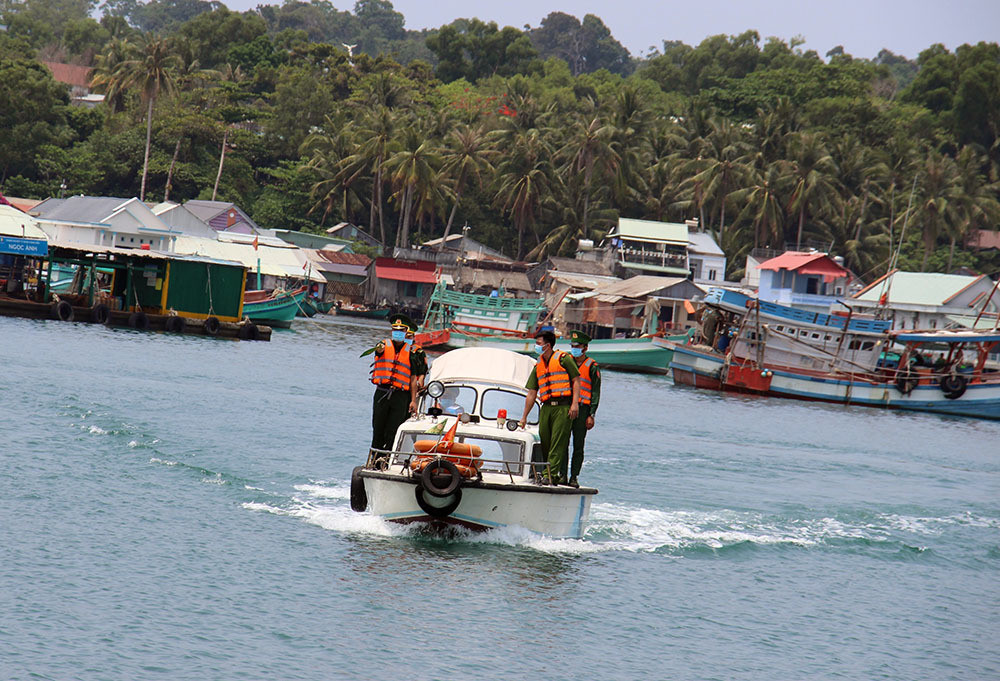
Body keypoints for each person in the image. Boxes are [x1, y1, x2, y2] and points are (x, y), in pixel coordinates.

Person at [518, 329, 580, 485]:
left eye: (539, 343)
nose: (536, 346)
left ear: (548, 345)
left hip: (563, 406)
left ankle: (549, 475)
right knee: (545, 441)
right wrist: (524, 416)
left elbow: (576, 381)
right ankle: (550, 472)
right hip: (546, 407)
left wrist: (574, 404)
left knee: (557, 442)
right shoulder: (538, 364)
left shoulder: (564, 359)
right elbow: (532, 393)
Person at [366, 313, 418, 454]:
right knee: (378, 429)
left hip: (400, 396)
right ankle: (374, 461)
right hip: (382, 393)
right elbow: (378, 350)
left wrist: (413, 400)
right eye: (395, 330)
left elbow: (413, 379)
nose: (398, 333)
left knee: (393, 430)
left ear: (406, 332)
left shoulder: (411, 352)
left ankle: (386, 461)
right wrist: (379, 349)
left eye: (401, 331)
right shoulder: (383, 345)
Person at [567, 330, 600, 488]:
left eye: (577, 346)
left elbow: (595, 391)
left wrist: (591, 414)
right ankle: (560, 474)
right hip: (566, 408)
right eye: (572, 345)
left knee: (578, 446)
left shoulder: (592, 366)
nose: (574, 348)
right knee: (561, 444)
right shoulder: (566, 361)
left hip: (583, 410)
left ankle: (573, 476)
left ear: (585, 348)